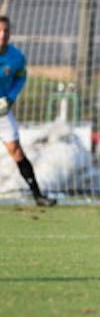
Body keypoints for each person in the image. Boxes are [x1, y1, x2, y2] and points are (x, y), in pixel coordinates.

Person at [0, 15, 54, 206]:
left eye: (6, 31)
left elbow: (20, 78)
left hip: (2, 112)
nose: (2, 34)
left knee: (16, 151)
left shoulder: (16, 57)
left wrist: (11, 97)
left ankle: (38, 195)